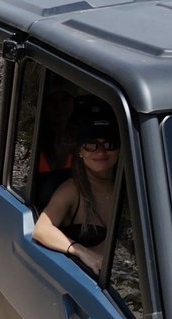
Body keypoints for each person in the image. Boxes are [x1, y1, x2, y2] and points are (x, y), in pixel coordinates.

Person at [31, 102, 120, 275]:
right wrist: (82, 252)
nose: (101, 152)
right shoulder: (72, 190)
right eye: (91, 145)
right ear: (80, 151)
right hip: (92, 281)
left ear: (118, 149)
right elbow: (41, 229)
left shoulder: (129, 189)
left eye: (109, 144)